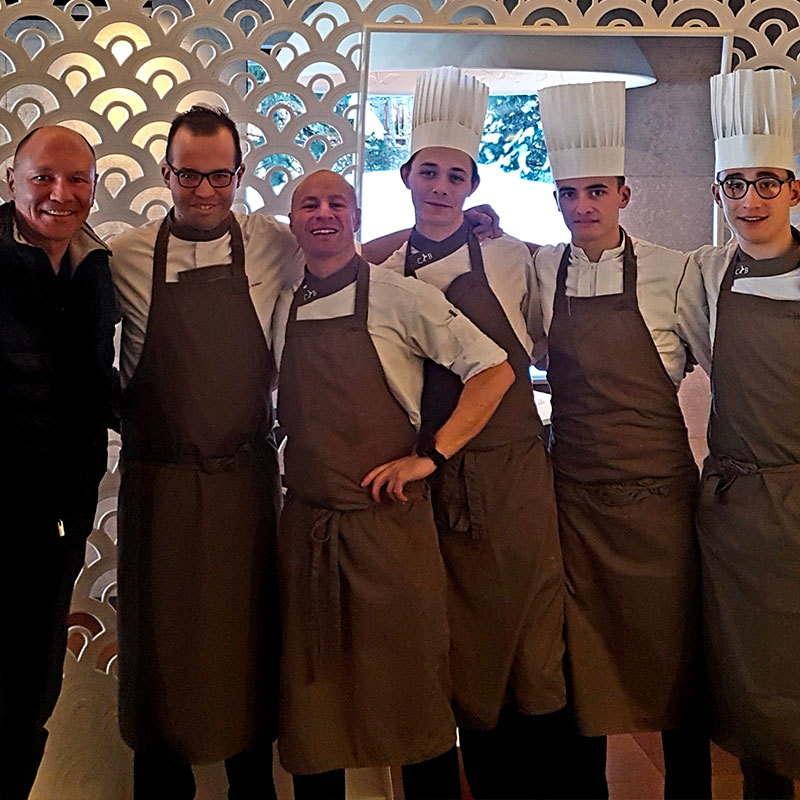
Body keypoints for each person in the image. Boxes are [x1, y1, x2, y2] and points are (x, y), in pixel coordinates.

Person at [273, 169, 515, 800]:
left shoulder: (397, 296)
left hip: (390, 533)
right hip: (309, 533)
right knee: (314, 716)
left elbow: (493, 370)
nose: (323, 214)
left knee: (415, 709)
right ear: (292, 220)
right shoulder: (278, 300)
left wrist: (430, 456)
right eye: (309, 204)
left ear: (355, 215)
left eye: (337, 203)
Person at [377, 66, 566, 800]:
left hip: (516, 471)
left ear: (473, 185)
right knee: (458, 647)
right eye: (429, 171)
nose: (441, 187)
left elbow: (543, 350)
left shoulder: (515, 255)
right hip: (436, 476)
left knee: (531, 636)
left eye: (457, 176)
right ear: (407, 175)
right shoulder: (386, 269)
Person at [110, 106, 302, 799]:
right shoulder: (125, 256)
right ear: (166, 172)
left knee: (245, 663)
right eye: (188, 175)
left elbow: (352, 257)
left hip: (245, 492)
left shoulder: (276, 247)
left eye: (219, 175)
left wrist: (473, 225)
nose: (202, 191)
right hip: (158, 496)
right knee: (162, 665)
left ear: (240, 175)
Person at [534, 80, 712, 799]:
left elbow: (727, 358)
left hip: (661, 504)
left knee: (676, 658)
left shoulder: (678, 271)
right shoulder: (541, 269)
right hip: (575, 501)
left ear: (624, 194)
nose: (583, 206)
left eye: (596, 191)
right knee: (585, 660)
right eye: (570, 193)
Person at [690, 67, 800, 799]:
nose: (750, 199)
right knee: (759, 686)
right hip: (737, 513)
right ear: (718, 193)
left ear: (795, 188)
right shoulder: (702, 273)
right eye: (735, 183)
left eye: (767, 181)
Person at [0, 126, 117, 799]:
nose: (59, 193)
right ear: (13, 180)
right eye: (43, 176)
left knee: (32, 693)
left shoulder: (92, 268)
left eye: (76, 180)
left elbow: (89, 384)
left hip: (56, 523)